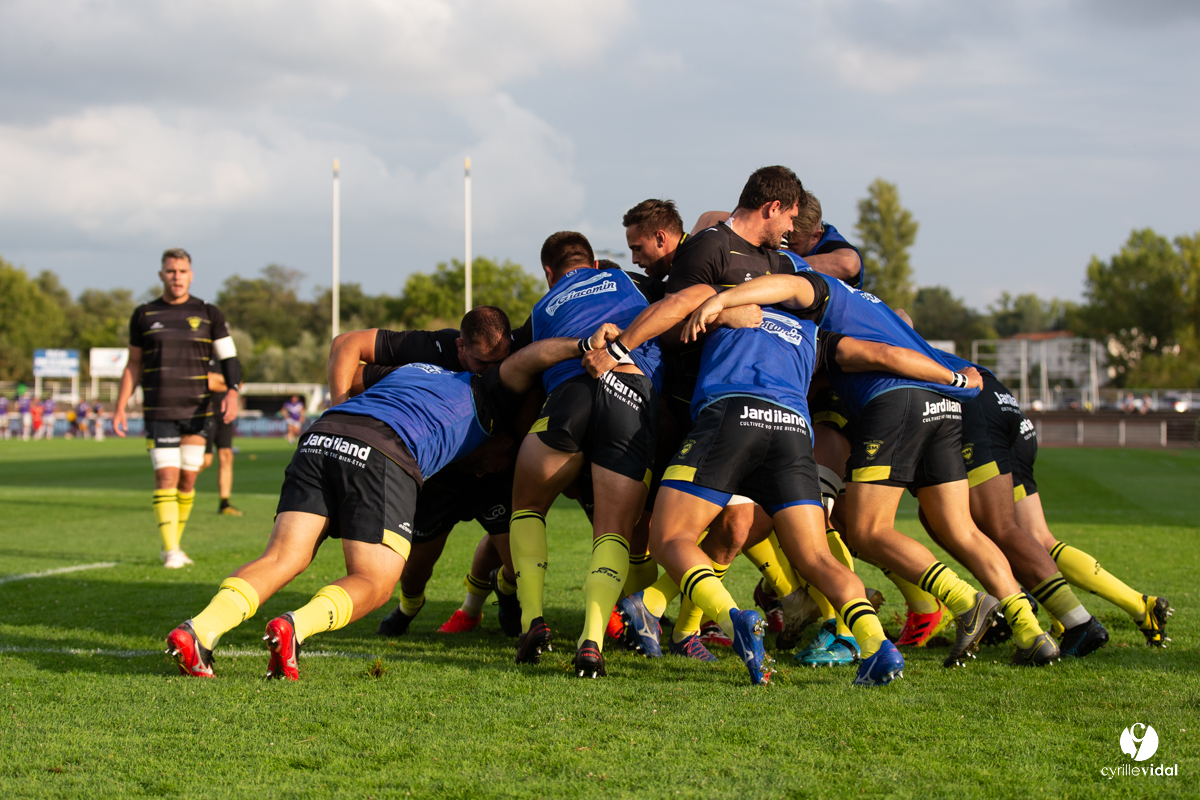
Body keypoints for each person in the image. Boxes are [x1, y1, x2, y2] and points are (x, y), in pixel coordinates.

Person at [164, 322, 616, 679]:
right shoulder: (488, 388)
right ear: (467, 352)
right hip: (385, 453)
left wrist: (336, 402)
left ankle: (200, 630)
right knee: (375, 581)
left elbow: (353, 364)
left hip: (320, 437)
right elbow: (530, 358)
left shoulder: (410, 370)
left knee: (282, 557)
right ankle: (294, 627)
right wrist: (583, 344)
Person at [585, 273, 966, 685]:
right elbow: (885, 353)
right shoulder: (813, 333)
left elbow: (672, 317)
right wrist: (955, 377)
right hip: (793, 430)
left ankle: (730, 618)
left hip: (732, 416)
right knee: (816, 558)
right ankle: (876, 646)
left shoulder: (725, 307)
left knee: (671, 537)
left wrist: (622, 340)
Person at [690, 268, 1060, 668]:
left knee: (866, 530)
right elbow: (902, 322)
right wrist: (953, 380)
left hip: (895, 402)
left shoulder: (814, 291)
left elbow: (866, 342)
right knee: (962, 529)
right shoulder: (868, 305)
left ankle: (964, 601)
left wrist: (721, 300)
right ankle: (1030, 631)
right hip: (942, 403)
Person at [509, 231, 663, 678]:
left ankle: (531, 620)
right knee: (613, 530)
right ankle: (591, 641)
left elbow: (516, 370)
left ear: (548, 273)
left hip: (571, 391)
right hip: (630, 388)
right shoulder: (631, 281)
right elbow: (679, 304)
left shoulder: (541, 310)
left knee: (527, 505)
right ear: (596, 263)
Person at [326, 307, 523, 638]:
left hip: (492, 477)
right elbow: (347, 344)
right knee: (415, 570)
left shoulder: (518, 352)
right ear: (460, 347)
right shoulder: (434, 349)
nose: (494, 371)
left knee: (520, 565)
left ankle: (501, 589)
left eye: (500, 361)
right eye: (483, 363)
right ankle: (409, 606)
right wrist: (338, 407)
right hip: (440, 481)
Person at [113, 249, 242, 568]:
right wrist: (120, 407)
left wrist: (233, 391)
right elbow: (133, 364)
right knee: (166, 477)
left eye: (182, 271)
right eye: (171, 271)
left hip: (198, 412)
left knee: (187, 481)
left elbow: (229, 358)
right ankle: (172, 549)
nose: (176, 276)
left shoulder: (209, 313)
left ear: (191, 275)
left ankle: (173, 544)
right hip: (160, 411)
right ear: (161, 275)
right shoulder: (144, 314)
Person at [1009, 407, 1173, 646]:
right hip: (1011, 426)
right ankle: (1065, 621)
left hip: (998, 436)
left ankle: (1137, 605)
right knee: (1026, 540)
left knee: (1025, 541)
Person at [201, 370, 242, 516]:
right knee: (205, 460)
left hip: (225, 414)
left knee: (227, 456)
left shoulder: (230, 362)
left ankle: (224, 504)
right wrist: (229, 383)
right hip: (205, 414)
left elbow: (238, 384)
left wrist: (226, 383)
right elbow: (209, 383)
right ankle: (177, 485)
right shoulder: (208, 358)